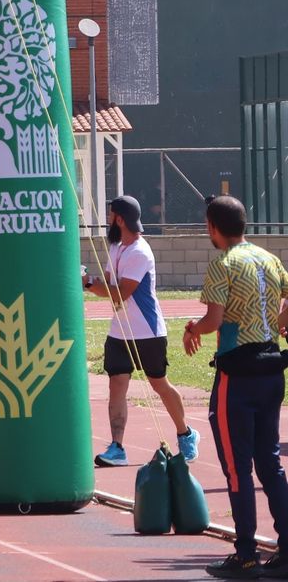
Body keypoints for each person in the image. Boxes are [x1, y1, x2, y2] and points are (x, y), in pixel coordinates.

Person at [181, 195, 288, 579]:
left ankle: (245, 554)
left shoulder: (223, 264)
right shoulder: (269, 258)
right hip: (273, 371)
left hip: (237, 377)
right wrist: (280, 322)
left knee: (237, 468)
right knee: (270, 463)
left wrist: (192, 328)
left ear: (212, 227)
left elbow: (213, 319)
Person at [84, 194, 199, 466]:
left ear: (120, 219)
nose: (108, 220)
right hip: (119, 332)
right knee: (117, 387)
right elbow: (109, 285)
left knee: (159, 384)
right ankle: (117, 447)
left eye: (111, 216)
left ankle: (186, 433)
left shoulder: (139, 251)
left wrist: (88, 284)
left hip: (148, 332)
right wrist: (91, 280)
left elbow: (121, 293)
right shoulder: (116, 247)